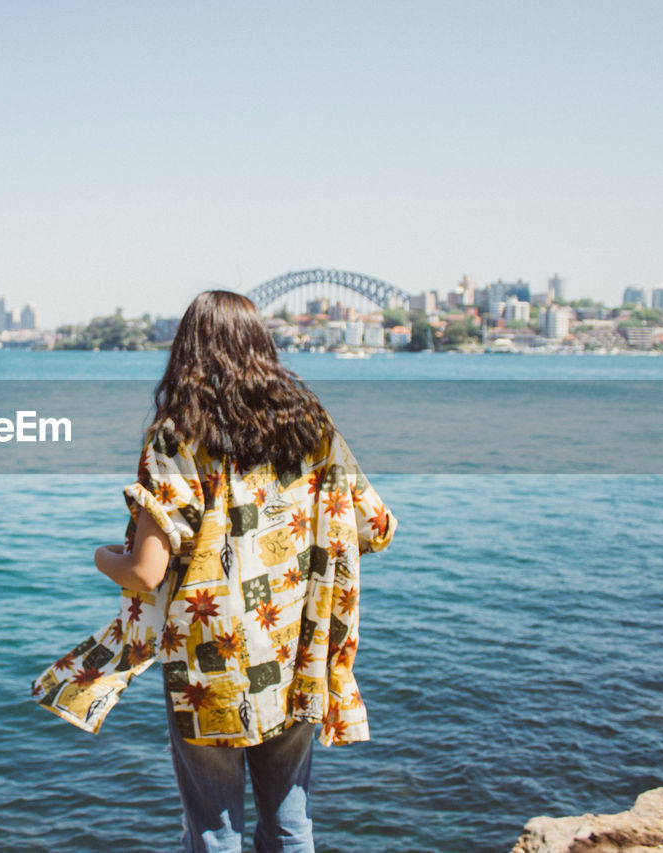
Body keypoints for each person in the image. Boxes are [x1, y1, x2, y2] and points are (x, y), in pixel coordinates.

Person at [32, 290, 396, 853]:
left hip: (210, 663)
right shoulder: (311, 426)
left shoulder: (178, 435)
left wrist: (101, 557)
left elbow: (147, 572)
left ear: (187, 351)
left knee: (213, 831)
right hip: (295, 650)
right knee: (290, 824)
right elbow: (375, 526)